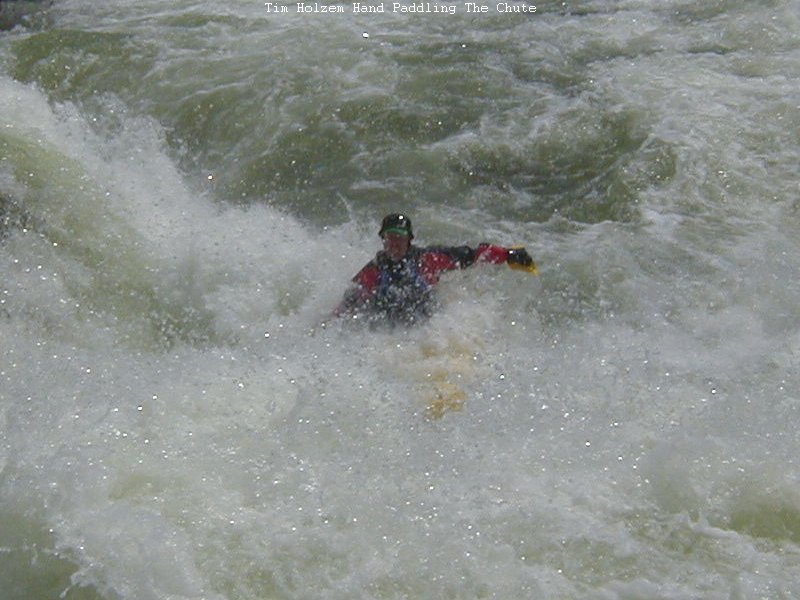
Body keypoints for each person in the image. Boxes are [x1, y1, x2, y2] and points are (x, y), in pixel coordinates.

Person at [334, 213, 537, 327]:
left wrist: (508, 254)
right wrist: (328, 325)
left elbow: (473, 255)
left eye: (400, 237)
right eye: (390, 237)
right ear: (383, 240)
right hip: (390, 329)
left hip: (427, 325)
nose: (395, 243)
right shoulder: (373, 270)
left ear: (409, 239)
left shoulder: (428, 259)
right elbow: (349, 301)